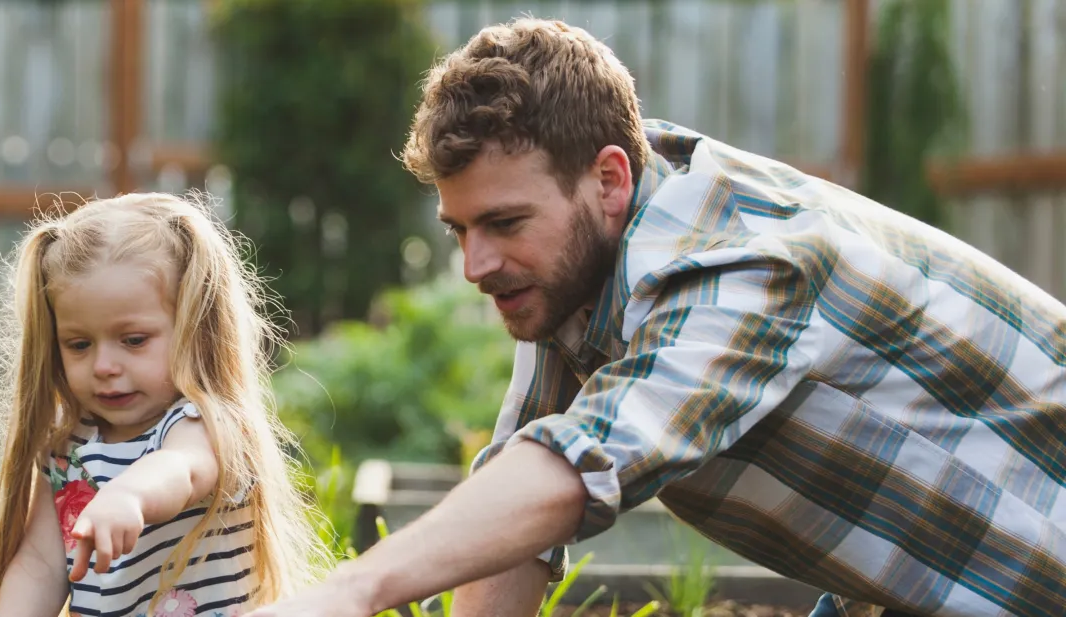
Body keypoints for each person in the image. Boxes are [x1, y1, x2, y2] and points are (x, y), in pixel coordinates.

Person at [244, 17, 1066, 617]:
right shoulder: (587, 265)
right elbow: (519, 511)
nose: (475, 265)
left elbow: (585, 464)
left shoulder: (747, 263)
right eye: (460, 229)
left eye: (504, 224)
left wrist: (348, 590)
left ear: (607, 179)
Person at [0, 193, 331, 617]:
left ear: (196, 329)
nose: (104, 366)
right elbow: (40, 566)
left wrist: (130, 495)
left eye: (133, 340)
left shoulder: (204, 425)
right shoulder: (66, 449)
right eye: (79, 344)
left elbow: (182, 470)